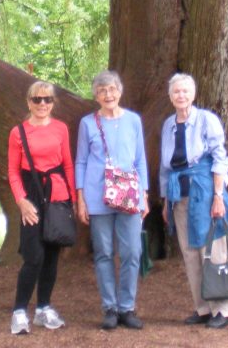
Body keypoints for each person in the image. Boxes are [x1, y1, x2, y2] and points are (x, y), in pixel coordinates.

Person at [159, 72, 228, 330]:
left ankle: (222, 310)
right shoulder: (168, 125)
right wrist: (165, 201)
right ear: (170, 96)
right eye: (176, 92)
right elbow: (166, 168)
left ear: (193, 94)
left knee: (213, 250)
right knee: (190, 253)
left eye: (185, 91)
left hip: (205, 193)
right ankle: (203, 308)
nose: (180, 95)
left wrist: (218, 196)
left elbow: (220, 160)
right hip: (179, 195)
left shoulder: (207, 120)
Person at [75, 70, 149, 330]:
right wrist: (81, 198)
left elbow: (140, 159)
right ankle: (110, 307)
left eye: (112, 89)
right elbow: (81, 160)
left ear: (120, 91)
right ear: (96, 95)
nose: (108, 94)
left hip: (129, 196)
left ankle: (127, 307)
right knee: (104, 253)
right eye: (102, 90)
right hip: (97, 197)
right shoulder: (88, 124)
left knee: (132, 252)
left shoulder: (133, 121)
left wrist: (145, 195)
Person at [7, 80, 76, 335]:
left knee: (50, 256)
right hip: (31, 193)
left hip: (57, 194)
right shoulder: (19, 132)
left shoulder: (61, 129)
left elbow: (67, 164)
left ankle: (44, 308)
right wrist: (21, 201)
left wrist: (72, 200)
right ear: (29, 102)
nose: (42, 104)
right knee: (33, 256)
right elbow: (13, 171)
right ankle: (19, 311)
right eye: (37, 99)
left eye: (47, 99)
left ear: (53, 103)